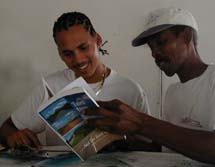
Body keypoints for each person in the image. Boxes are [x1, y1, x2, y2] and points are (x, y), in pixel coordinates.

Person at [85, 7, 215, 167]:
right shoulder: (172, 92)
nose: (154, 53)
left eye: (161, 42)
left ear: (186, 36)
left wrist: (141, 123)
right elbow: (168, 149)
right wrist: (122, 143)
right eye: (151, 47)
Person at [0, 11, 150, 148]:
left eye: (83, 47)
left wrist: (122, 142)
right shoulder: (51, 86)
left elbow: (151, 147)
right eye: (68, 54)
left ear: (98, 40)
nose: (78, 60)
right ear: (60, 54)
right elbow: (6, 129)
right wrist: (13, 137)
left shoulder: (130, 90)